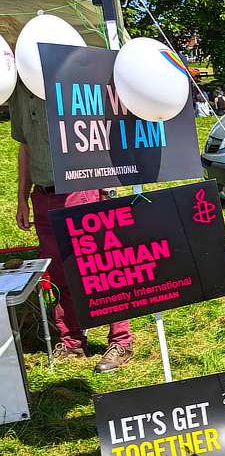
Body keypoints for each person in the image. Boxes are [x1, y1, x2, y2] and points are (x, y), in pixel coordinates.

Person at [9, 76, 134, 372]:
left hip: (80, 193)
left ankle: (122, 340)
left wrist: (105, 191)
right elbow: (25, 149)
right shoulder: (16, 91)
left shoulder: (68, 84)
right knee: (60, 273)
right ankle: (72, 340)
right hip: (42, 196)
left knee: (102, 268)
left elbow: (97, 138)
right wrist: (22, 199)